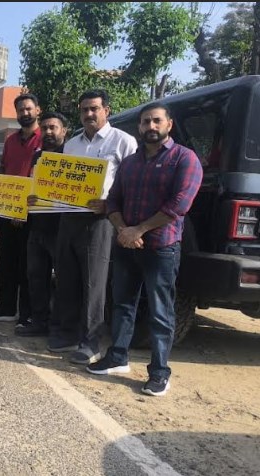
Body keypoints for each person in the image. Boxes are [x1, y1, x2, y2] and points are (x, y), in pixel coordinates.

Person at [87, 102, 202, 397]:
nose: (151, 126)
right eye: (145, 122)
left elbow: (179, 205)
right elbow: (114, 201)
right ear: (139, 127)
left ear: (169, 124)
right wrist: (123, 230)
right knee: (123, 304)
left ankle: (159, 373)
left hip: (161, 248)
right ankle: (117, 357)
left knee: (160, 311)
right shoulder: (130, 163)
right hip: (127, 245)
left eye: (156, 121)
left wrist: (138, 230)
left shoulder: (184, 158)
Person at [47, 89, 138, 365]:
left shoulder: (123, 141)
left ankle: (91, 343)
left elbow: (133, 183)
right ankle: (68, 333)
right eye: (84, 109)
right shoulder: (72, 144)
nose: (88, 114)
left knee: (93, 283)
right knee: (67, 277)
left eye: (94, 109)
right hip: (68, 217)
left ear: (106, 110)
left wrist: (109, 204)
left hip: (100, 220)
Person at [0, 93, 41, 326]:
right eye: (20, 110)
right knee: (5, 262)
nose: (24, 113)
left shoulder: (44, 139)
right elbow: (4, 169)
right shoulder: (10, 141)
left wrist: (22, 210)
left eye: (28, 109)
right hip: (7, 209)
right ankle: (6, 307)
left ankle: (26, 314)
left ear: (37, 110)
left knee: (28, 266)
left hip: (32, 213)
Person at [15, 112, 69, 338]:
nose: (48, 132)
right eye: (44, 128)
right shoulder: (38, 156)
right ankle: (39, 322)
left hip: (61, 228)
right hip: (37, 225)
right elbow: (32, 185)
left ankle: (61, 326)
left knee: (64, 280)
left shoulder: (72, 155)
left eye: (53, 127)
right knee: (36, 277)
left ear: (64, 130)